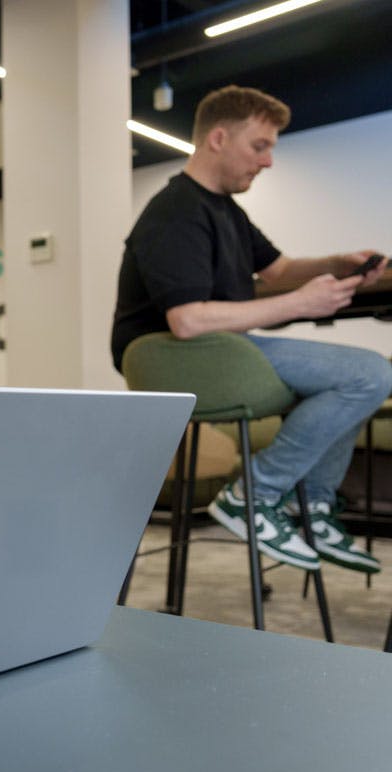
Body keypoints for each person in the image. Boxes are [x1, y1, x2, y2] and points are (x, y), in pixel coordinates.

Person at [111, 85, 392, 575]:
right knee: (367, 373)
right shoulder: (175, 212)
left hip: (221, 352)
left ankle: (313, 508)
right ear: (218, 138)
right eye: (259, 147)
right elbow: (188, 318)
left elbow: (280, 270)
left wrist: (339, 263)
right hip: (185, 358)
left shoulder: (228, 211)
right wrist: (301, 302)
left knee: (358, 379)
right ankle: (254, 494)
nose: (267, 162)